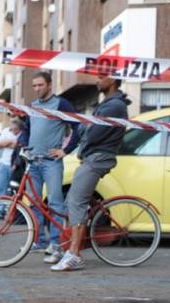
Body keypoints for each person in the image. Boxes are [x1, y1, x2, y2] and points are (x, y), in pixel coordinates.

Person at [52, 75, 130, 272]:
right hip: (92, 157)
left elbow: (93, 133)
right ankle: (71, 246)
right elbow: (86, 130)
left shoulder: (114, 106)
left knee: (76, 201)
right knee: (72, 200)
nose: (97, 81)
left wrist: (86, 131)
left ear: (112, 80)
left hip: (97, 158)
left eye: (101, 77)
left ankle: (74, 255)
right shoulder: (108, 103)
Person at [23, 71, 79, 264]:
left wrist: (66, 150)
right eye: (34, 86)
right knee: (35, 203)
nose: (37, 89)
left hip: (51, 163)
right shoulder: (32, 106)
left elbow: (79, 126)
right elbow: (27, 129)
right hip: (33, 162)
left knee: (55, 203)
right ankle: (39, 241)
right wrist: (23, 145)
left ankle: (56, 245)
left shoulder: (61, 104)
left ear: (49, 85)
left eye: (40, 85)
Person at [0, 119, 22, 219]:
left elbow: (20, 147)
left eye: (16, 130)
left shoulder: (23, 133)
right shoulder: (6, 131)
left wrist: (8, 143)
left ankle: (12, 214)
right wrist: (13, 142)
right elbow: (0, 145)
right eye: (12, 129)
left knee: (14, 191)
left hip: (16, 165)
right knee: (0, 188)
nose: (14, 131)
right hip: (4, 164)